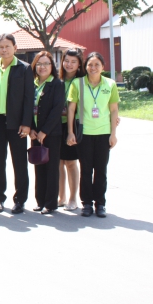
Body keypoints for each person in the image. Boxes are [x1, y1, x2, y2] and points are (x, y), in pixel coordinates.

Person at [67, 52, 119, 218]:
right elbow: (71, 109)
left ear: (103, 67)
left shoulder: (110, 84)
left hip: (104, 133)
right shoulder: (78, 83)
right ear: (85, 67)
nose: (93, 68)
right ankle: (87, 203)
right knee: (86, 169)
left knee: (101, 170)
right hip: (84, 133)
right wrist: (70, 132)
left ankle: (100, 203)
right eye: (90, 64)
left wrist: (113, 134)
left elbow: (114, 110)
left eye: (97, 64)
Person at [0, 33, 35, 214]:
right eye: (1, 47)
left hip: (17, 123)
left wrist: (26, 123)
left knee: (20, 163)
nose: (4, 49)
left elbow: (29, 98)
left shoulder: (24, 68)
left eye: (7, 46)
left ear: (15, 48)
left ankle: (20, 200)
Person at [29, 52, 64, 214]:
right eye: (39, 64)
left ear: (52, 66)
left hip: (51, 134)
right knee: (39, 166)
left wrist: (45, 131)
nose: (42, 67)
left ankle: (50, 203)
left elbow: (57, 109)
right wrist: (31, 128)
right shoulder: (32, 83)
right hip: (35, 133)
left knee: (51, 168)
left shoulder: (57, 84)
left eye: (46, 64)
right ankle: (40, 201)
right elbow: (27, 107)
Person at [58, 48, 85, 211]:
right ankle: (61, 197)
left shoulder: (82, 81)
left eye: (74, 62)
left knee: (70, 162)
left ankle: (73, 198)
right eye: (67, 61)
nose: (69, 64)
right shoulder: (57, 79)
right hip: (56, 125)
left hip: (73, 126)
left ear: (79, 64)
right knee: (58, 162)